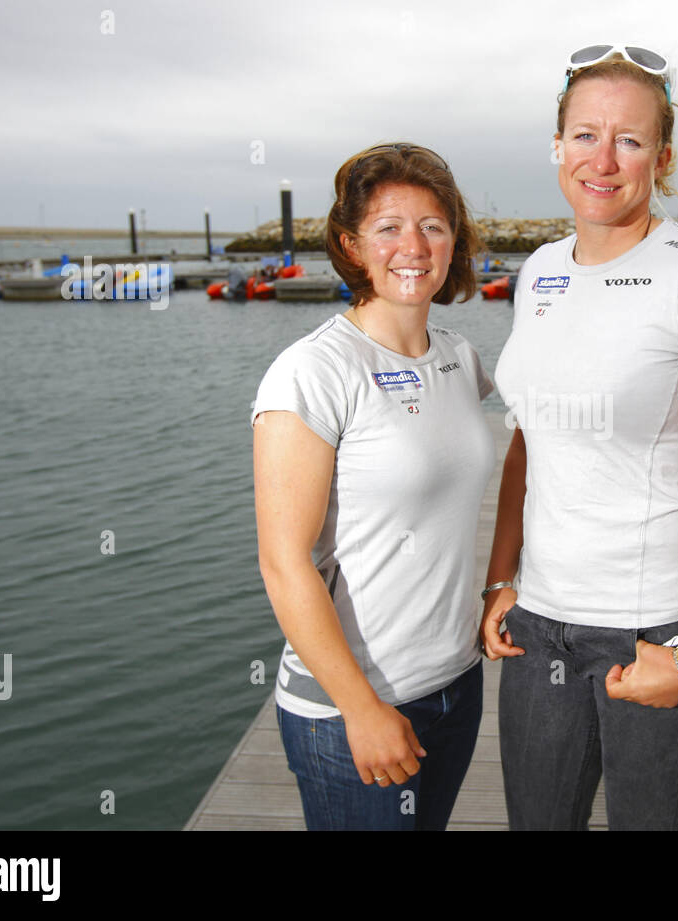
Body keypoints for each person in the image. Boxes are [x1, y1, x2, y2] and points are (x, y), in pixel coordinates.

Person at [481, 44, 678, 830]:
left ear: (663, 156)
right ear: (557, 145)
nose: (602, 159)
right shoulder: (539, 270)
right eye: (584, 134)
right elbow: (525, 443)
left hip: (654, 624)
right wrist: (498, 578)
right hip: (539, 624)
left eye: (630, 140)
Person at [252, 143, 494, 830]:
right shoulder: (312, 373)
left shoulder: (461, 357)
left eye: (433, 226)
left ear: (454, 241)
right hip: (350, 706)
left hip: (456, 681)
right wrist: (360, 707)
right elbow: (283, 561)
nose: (413, 246)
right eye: (388, 227)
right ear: (352, 244)